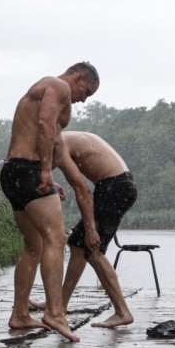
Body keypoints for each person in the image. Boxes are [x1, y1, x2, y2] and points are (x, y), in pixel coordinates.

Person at [1, 62, 99, 342]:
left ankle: (20, 313)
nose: (83, 98)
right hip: (30, 170)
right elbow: (44, 123)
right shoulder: (59, 86)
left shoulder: (44, 87)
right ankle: (55, 312)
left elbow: (43, 131)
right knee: (56, 239)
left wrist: (46, 174)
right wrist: (44, 170)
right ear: (78, 77)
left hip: (14, 171)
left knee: (34, 245)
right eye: (87, 92)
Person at [55, 131, 137, 328]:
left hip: (114, 187)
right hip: (117, 185)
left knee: (93, 251)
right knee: (77, 244)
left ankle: (122, 311)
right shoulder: (65, 138)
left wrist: (91, 230)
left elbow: (82, 190)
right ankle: (60, 305)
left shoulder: (58, 144)